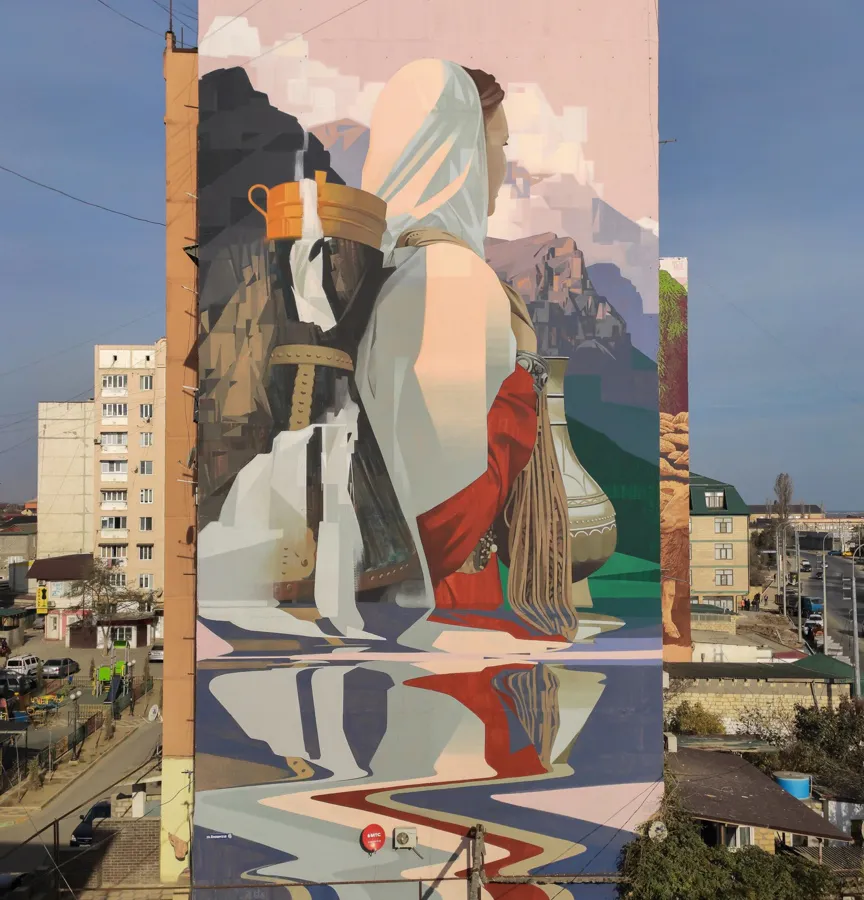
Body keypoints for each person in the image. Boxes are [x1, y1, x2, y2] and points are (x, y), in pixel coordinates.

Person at [357, 59, 575, 640]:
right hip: (441, 630)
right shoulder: (451, 277)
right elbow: (444, 525)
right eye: (499, 146)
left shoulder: (383, 266)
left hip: (385, 629)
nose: (504, 166)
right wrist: (523, 375)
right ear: (462, 154)